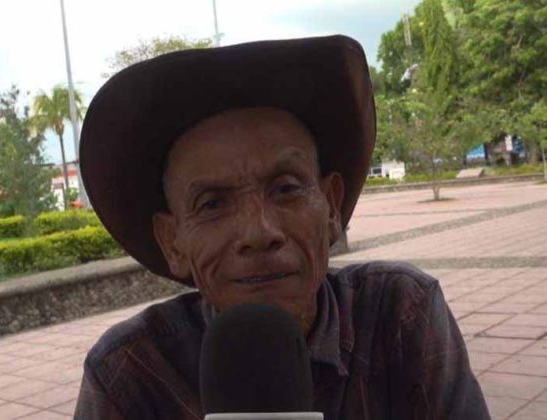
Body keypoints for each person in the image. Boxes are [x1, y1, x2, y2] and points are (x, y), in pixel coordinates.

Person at [74, 35, 490, 419]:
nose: (259, 233)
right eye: (212, 204)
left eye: (286, 189)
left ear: (331, 207)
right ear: (172, 242)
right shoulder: (130, 374)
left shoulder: (399, 314)